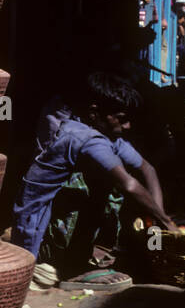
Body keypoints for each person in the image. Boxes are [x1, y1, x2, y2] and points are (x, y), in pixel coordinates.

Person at [11, 72, 176, 292]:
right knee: (103, 186)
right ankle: (71, 266)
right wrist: (167, 222)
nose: (127, 126)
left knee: (110, 185)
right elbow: (129, 185)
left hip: (54, 219)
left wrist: (156, 219)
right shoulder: (82, 137)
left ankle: (84, 255)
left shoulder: (107, 135)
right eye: (121, 118)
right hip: (40, 229)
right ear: (94, 113)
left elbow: (147, 169)